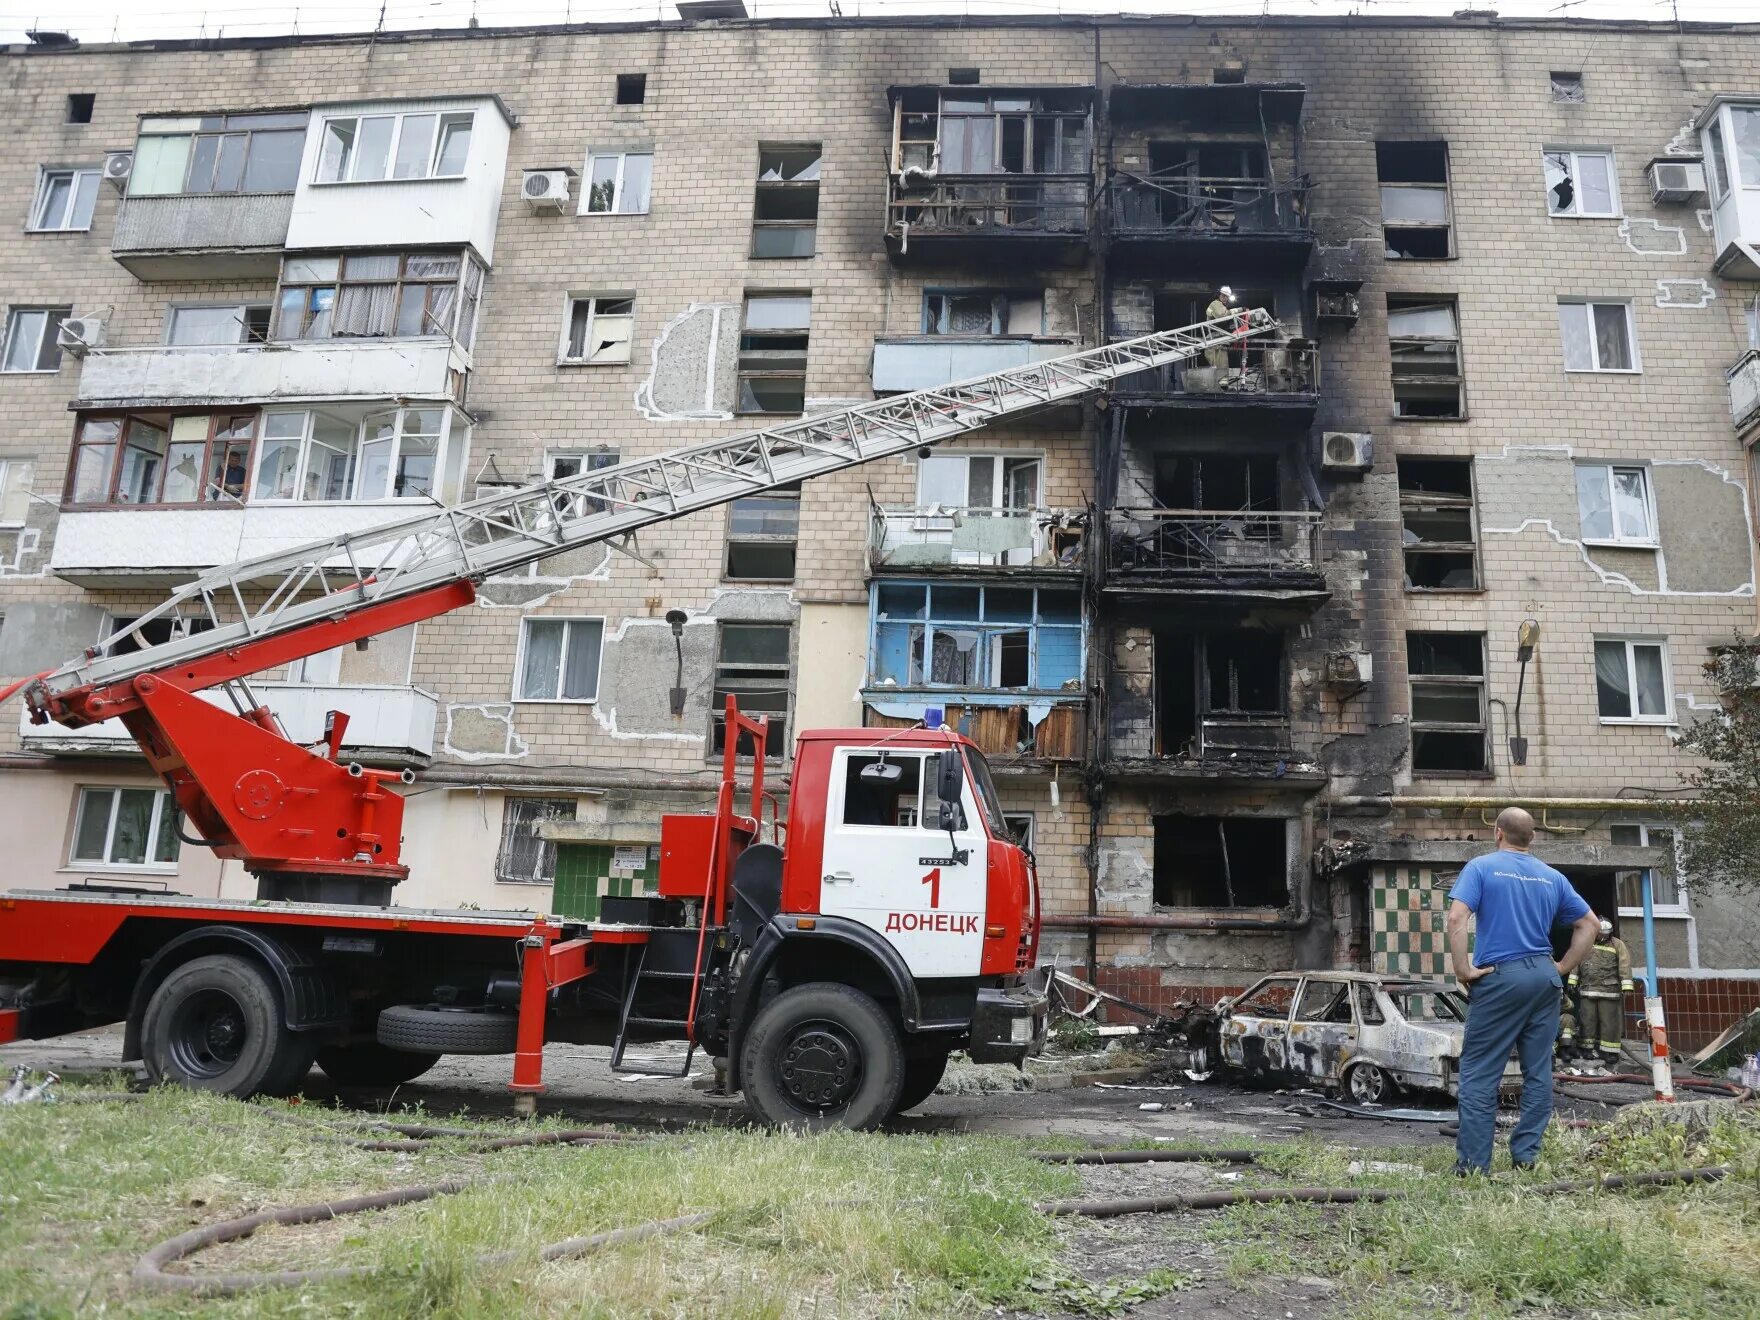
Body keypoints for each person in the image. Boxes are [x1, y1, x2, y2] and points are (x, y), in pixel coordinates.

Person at [1446, 807, 1600, 1175]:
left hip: (1501, 978)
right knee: (1538, 1072)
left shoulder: (1481, 867)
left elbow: (1456, 917)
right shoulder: (1552, 877)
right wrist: (1561, 968)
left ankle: (1472, 1165)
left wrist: (1463, 969)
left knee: (1481, 1073)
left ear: (1498, 833)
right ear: (1532, 838)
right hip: (1543, 979)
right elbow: (1589, 925)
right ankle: (1526, 1157)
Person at [1569, 918, 1634, 1075]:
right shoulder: (1585, 943)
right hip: (1587, 989)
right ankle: (1586, 1049)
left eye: (1606, 934)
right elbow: (1576, 960)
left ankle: (1610, 1052)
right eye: (1601, 934)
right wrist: (1572, 980)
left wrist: (1626, 986)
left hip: (1609, 991)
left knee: (1609, 1022)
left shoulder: (1617, 944)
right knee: (1587, 1021)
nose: (1603, 937)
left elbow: (1624, 965)